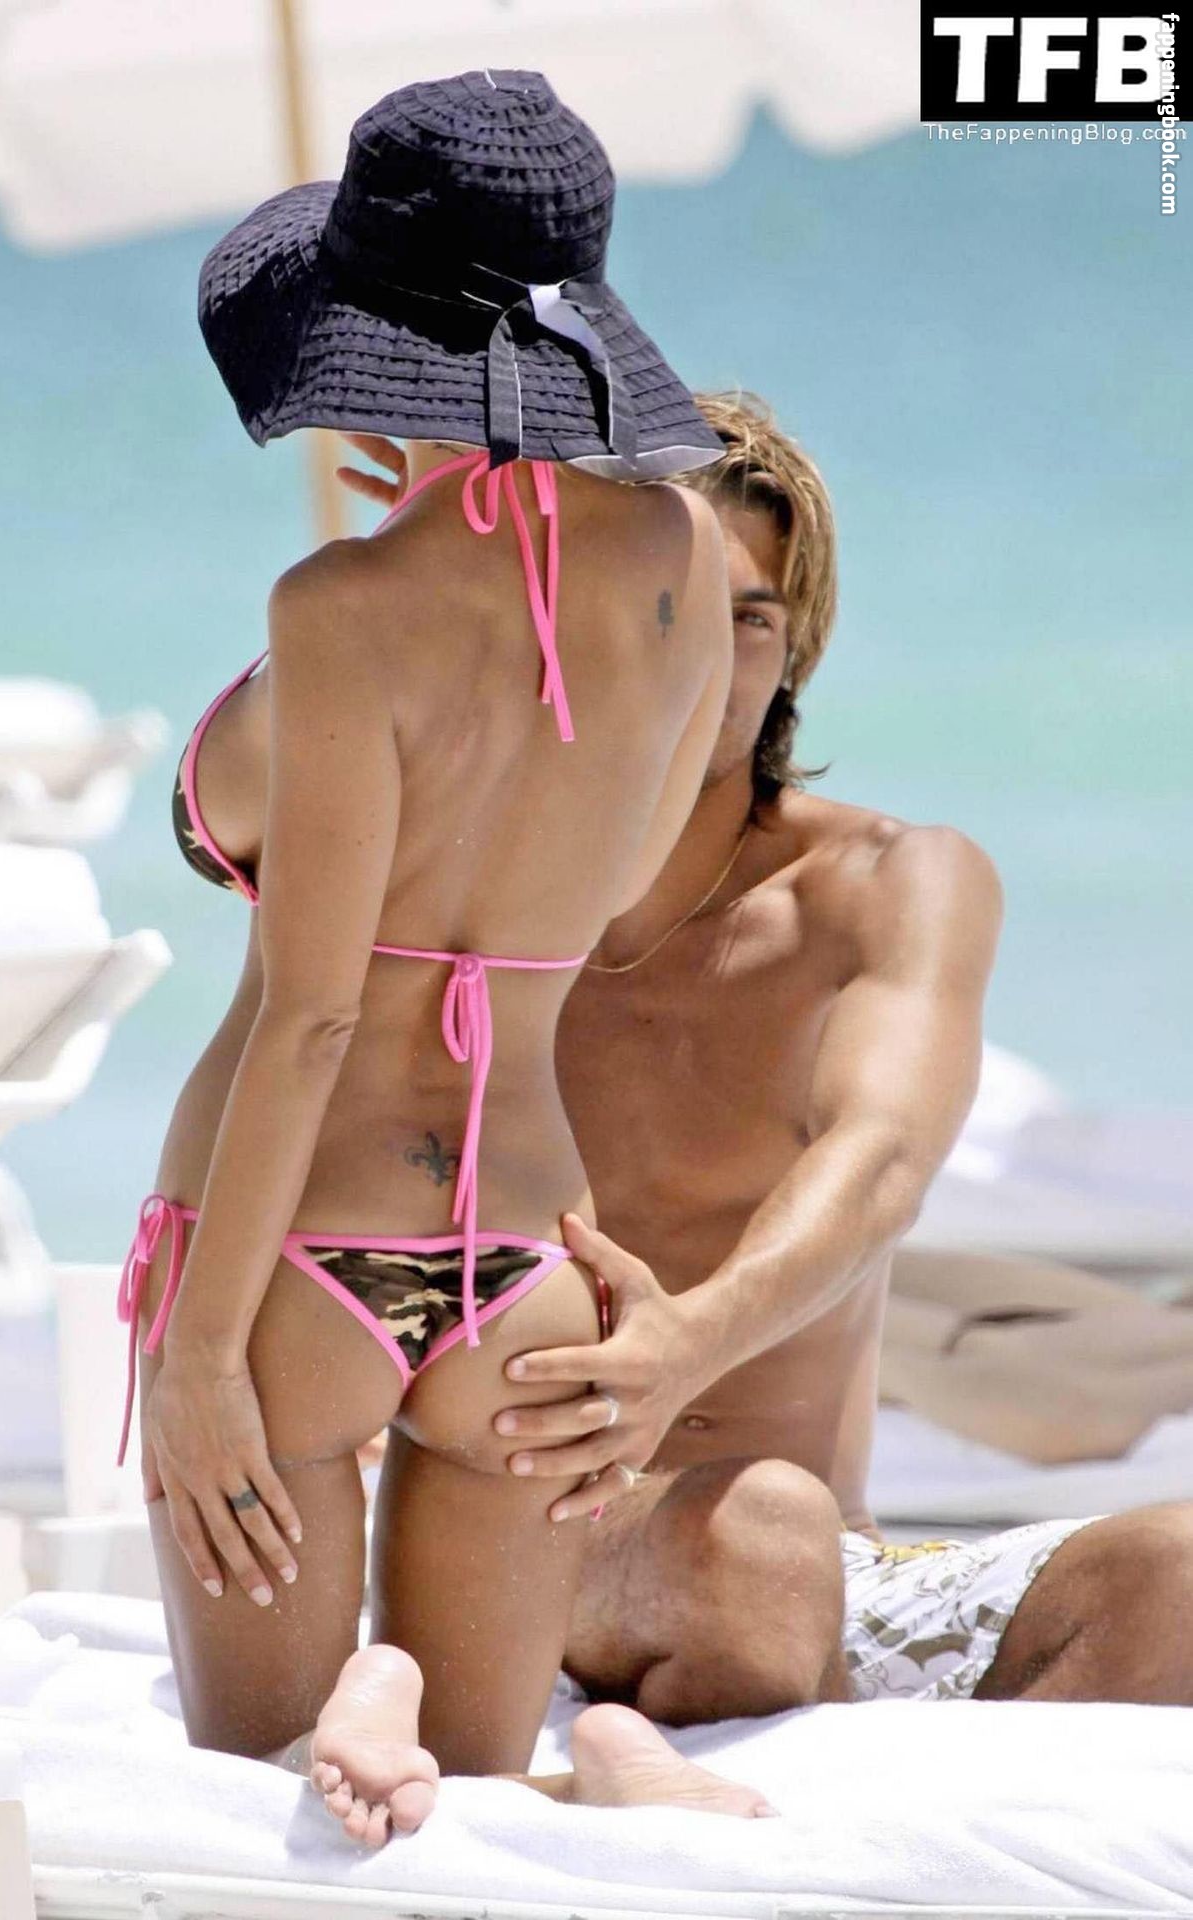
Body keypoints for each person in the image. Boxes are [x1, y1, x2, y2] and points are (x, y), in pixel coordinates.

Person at [352, 390, 1193, 1721]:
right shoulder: (449, 895)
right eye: (671, 608)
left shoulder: (886, 885)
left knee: (1177, 1573)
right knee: (761, 1541)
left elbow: (885, 1154)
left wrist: (691, 1341)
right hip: (525, 1542)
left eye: (751, 620)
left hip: (824, 1571)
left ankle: (880, 1791)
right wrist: (429, 563)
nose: (712, 660)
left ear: (796, 647)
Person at [116, 67, 739, 1810]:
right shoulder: (688, 559)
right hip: (531, 1256)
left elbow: (315, 1019)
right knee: (465, 1839)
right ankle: (571, 1769)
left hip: (290, 1251)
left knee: (267, 1809)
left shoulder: (343, 606)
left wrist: (200, 1359)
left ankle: (361, 1700)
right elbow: (613, 891)